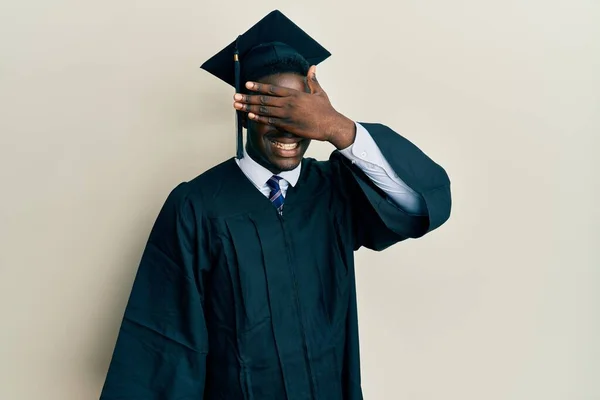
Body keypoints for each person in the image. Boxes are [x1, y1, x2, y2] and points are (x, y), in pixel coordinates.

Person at [100, 10, 451, 400]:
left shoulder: (335, 190)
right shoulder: (197, 207)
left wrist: (338, 127)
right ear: (245, 111)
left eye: (299, 114)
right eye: (272, 110)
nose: (289, 129)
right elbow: (165, 345)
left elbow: (418, 206)